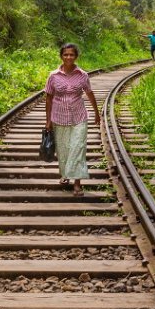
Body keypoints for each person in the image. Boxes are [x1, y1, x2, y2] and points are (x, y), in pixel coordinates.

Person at [44, 43, 101, 196]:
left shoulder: (83, 75)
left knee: (78, 149)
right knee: (63, 150)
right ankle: (65, 175)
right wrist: (48, 120)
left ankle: (77, 183)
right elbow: (48, 98)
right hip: (59, 117)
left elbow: (89, 93)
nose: (68, 57)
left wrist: (96, 113)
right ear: (61, 56)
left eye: (71, 54)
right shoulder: (53, 75)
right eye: (65, 54)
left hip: (79, 117)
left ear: (76, 56)